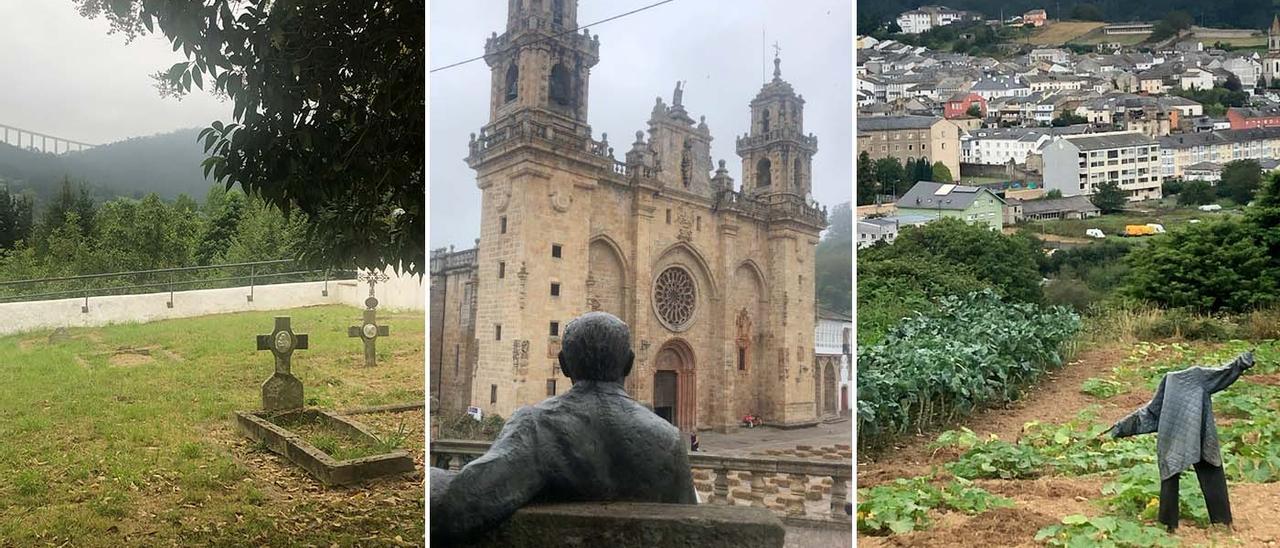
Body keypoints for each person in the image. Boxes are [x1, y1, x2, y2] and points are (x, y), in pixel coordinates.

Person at [429, 312, 697, 543]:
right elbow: (689, 527)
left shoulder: (537, 427)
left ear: (564, 364)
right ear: (629, 363)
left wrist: (427, 477)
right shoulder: (669, 439)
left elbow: (457, 506)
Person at [1108, 350, 1254, 531]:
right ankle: (1222, 522)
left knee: (1170, 474)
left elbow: (1150, 413)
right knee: (1210, 469)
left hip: (1173, 437)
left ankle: (1167, 526)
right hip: (1200, 432)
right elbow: (1223, 374)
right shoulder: (1197, 376)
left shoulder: (1168, 381)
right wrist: (1240, 364)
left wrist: (1120, 428)